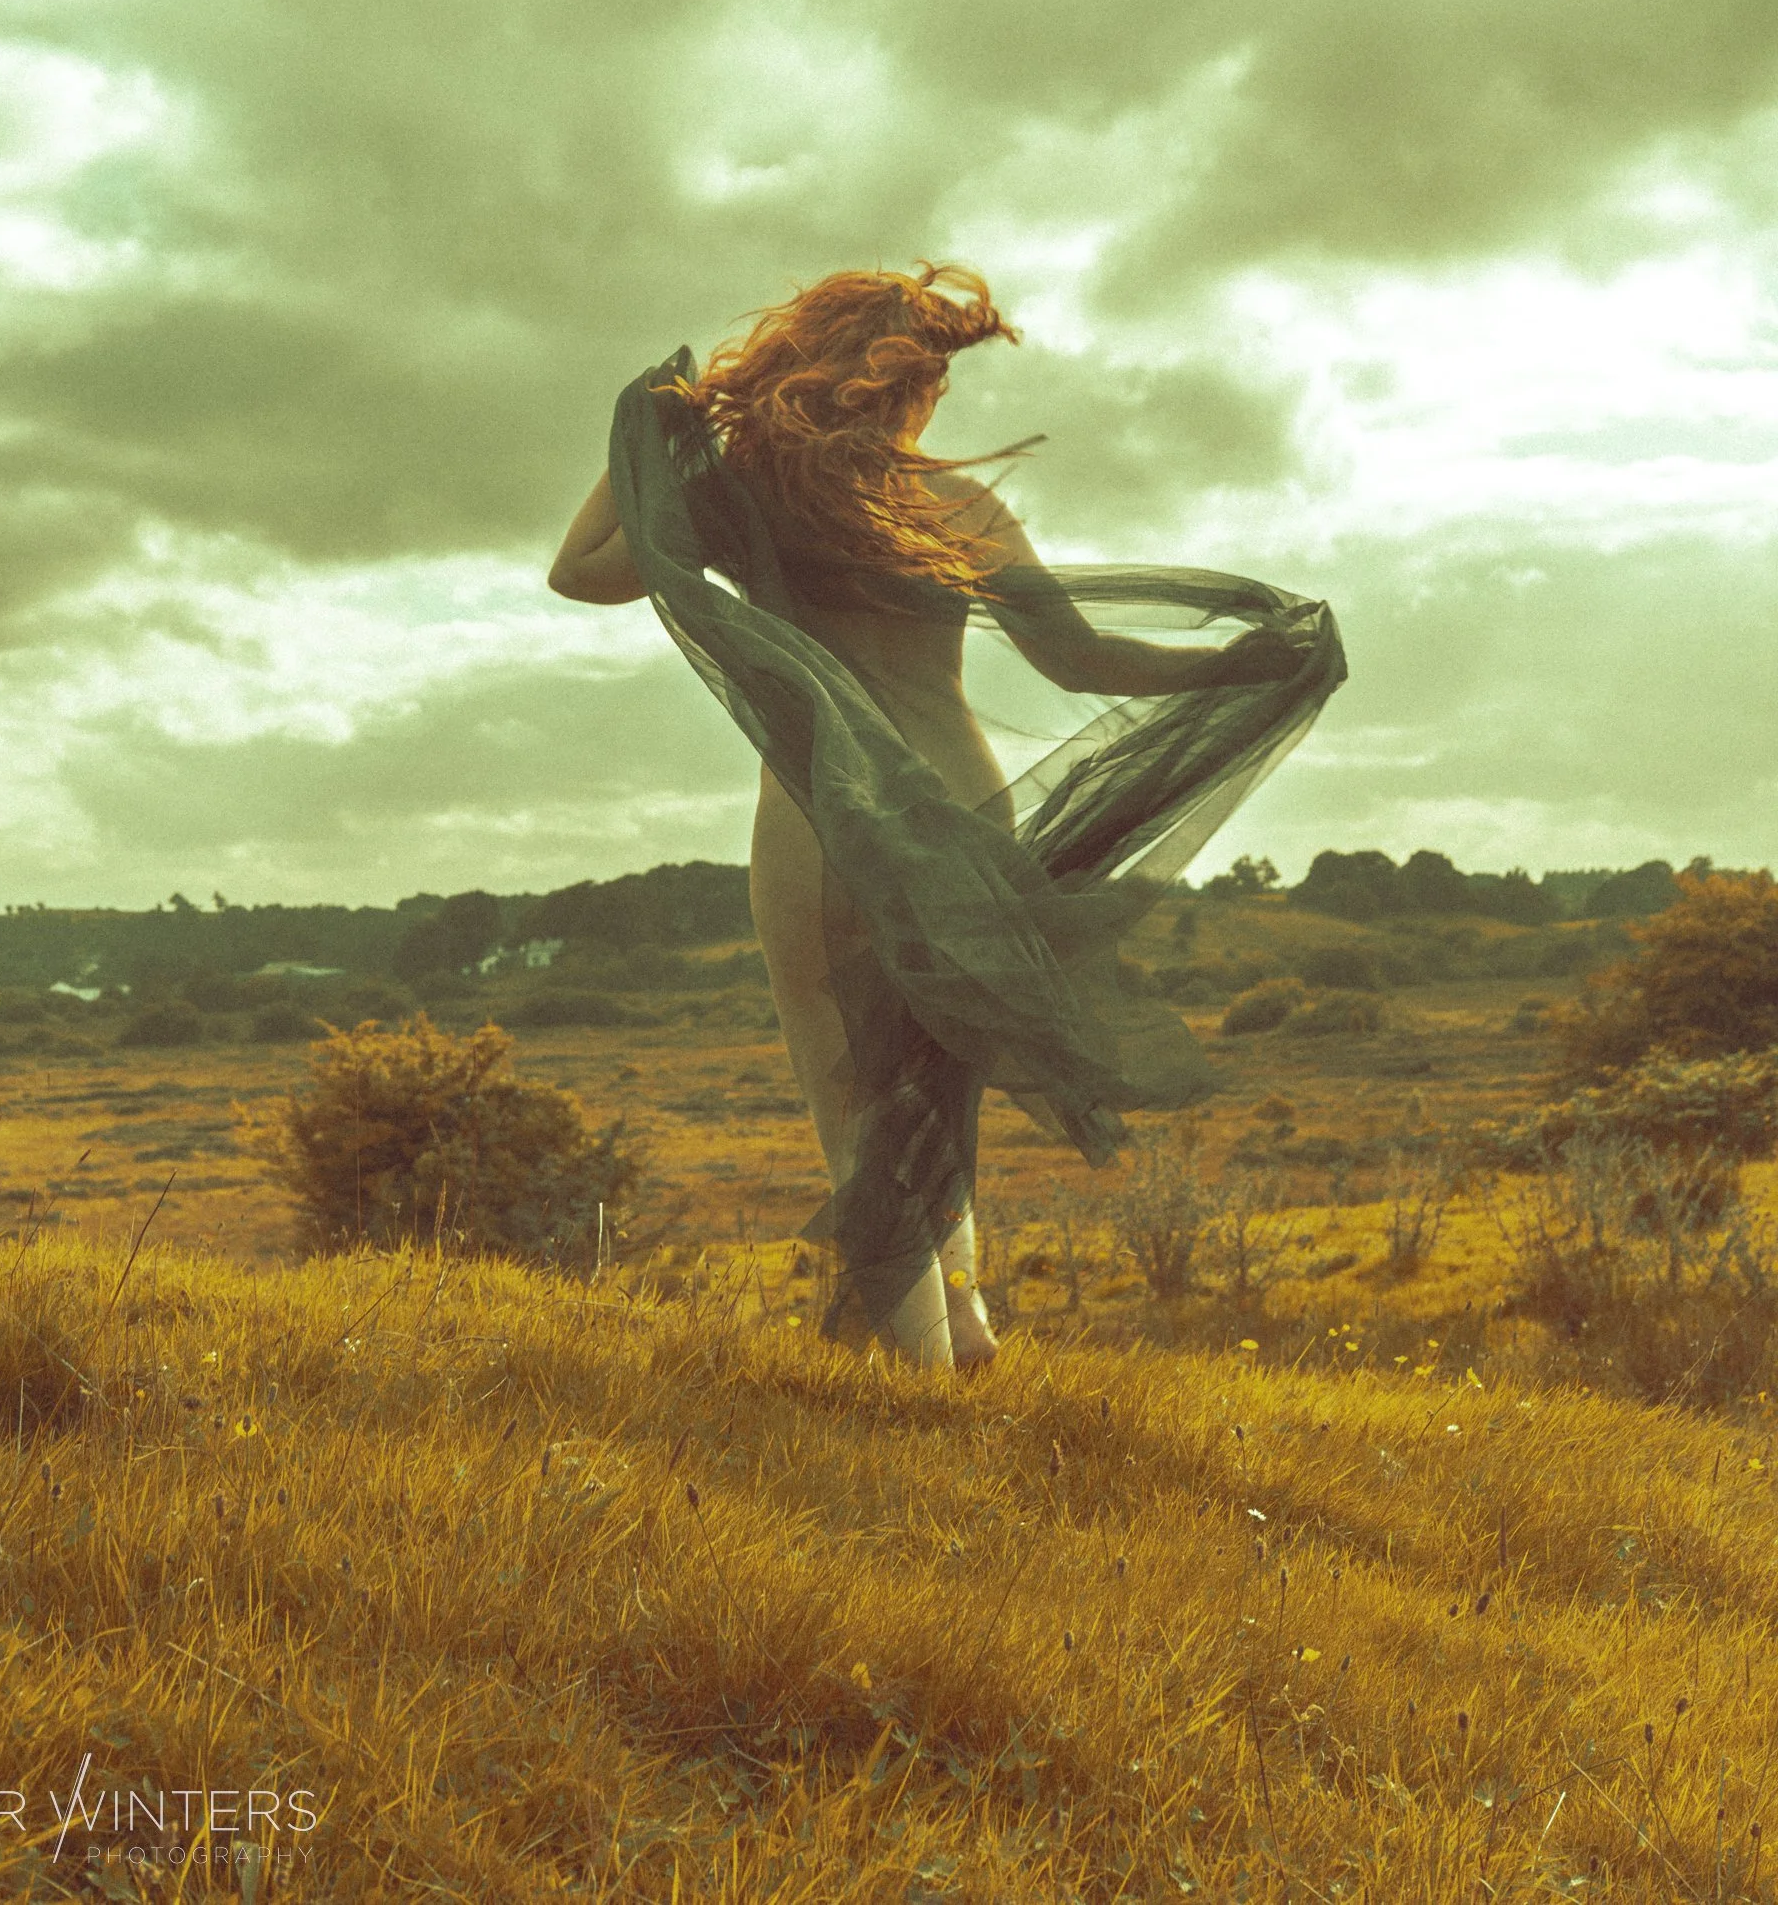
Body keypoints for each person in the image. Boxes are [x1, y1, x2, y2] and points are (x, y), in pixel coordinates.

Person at [548, 264, 1344, 1376]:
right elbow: (1081, 659)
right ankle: (961, 1326)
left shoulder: (743, 490)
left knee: (846, 1093)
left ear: (797, 356)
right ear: (913, 386)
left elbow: (579, 573)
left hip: (824, 819)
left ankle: (928, 1361)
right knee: (934, 1086)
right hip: (965, 808)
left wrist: (641, 429)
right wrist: (1229, 664)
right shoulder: (955, 504)